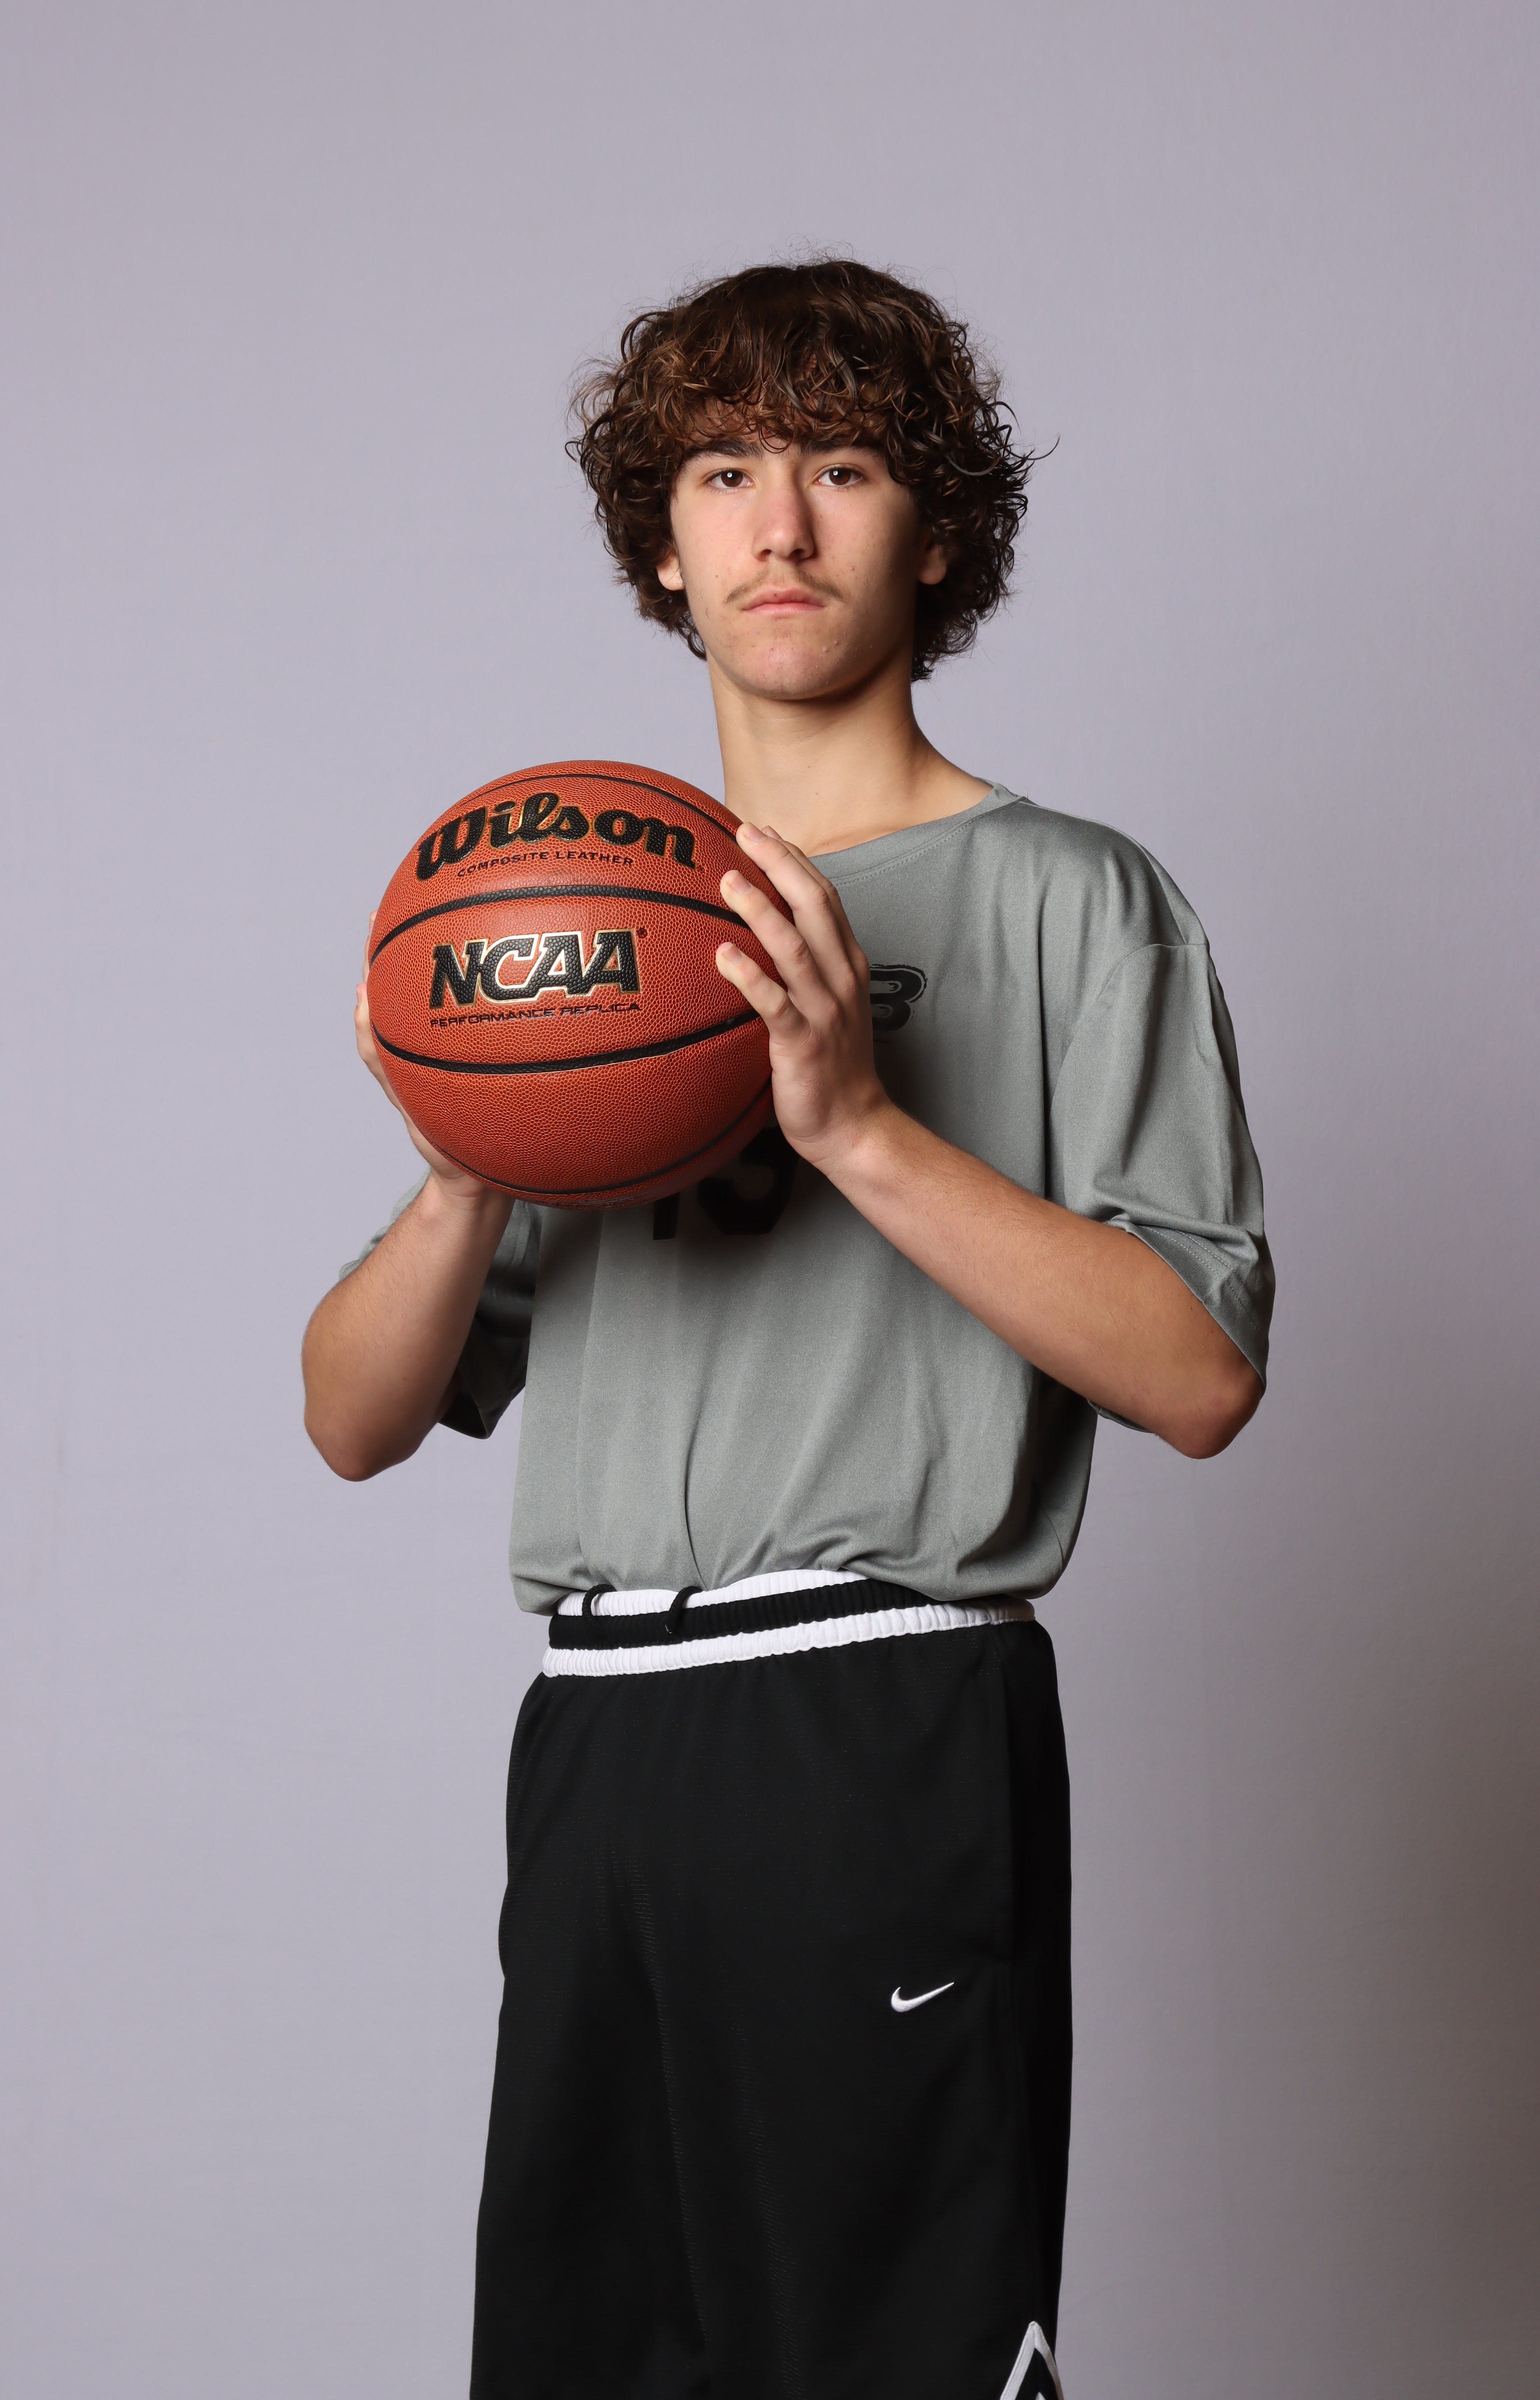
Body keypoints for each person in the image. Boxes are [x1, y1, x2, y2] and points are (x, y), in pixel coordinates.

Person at [302, 259, 1273, 2400]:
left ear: (936, 532)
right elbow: (353, 1420)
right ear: (659, 543)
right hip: (595, 1734)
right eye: (725, 471)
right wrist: (462, 1167)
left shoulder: (1074, 896)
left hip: (877, 1711)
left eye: (842, 466)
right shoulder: (588, 939)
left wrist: (852, 1127)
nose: (780, 523)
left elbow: (1198, 1374)